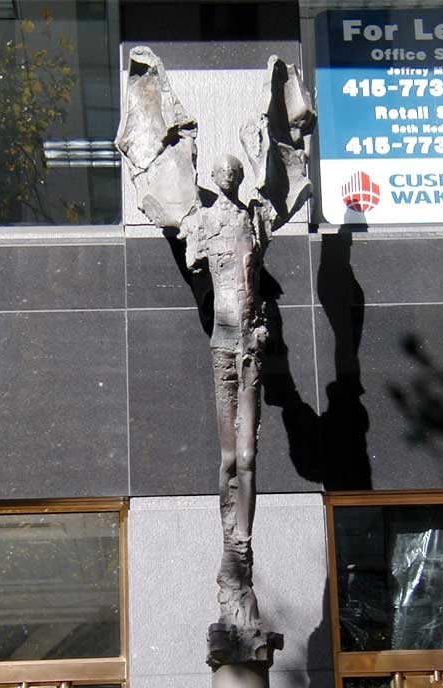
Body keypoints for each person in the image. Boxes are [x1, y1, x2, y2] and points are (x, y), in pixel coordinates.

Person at [180, 154, 268, 627]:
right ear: (215, 180)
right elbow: (195, 265)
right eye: (223, 175)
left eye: (235, 174)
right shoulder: (201, 222)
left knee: (248, 456)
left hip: (251, 346)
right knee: (229, 458)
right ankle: (230, 553)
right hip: (221, 342)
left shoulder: (254, 218)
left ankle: (242, 545)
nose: (229, 179)